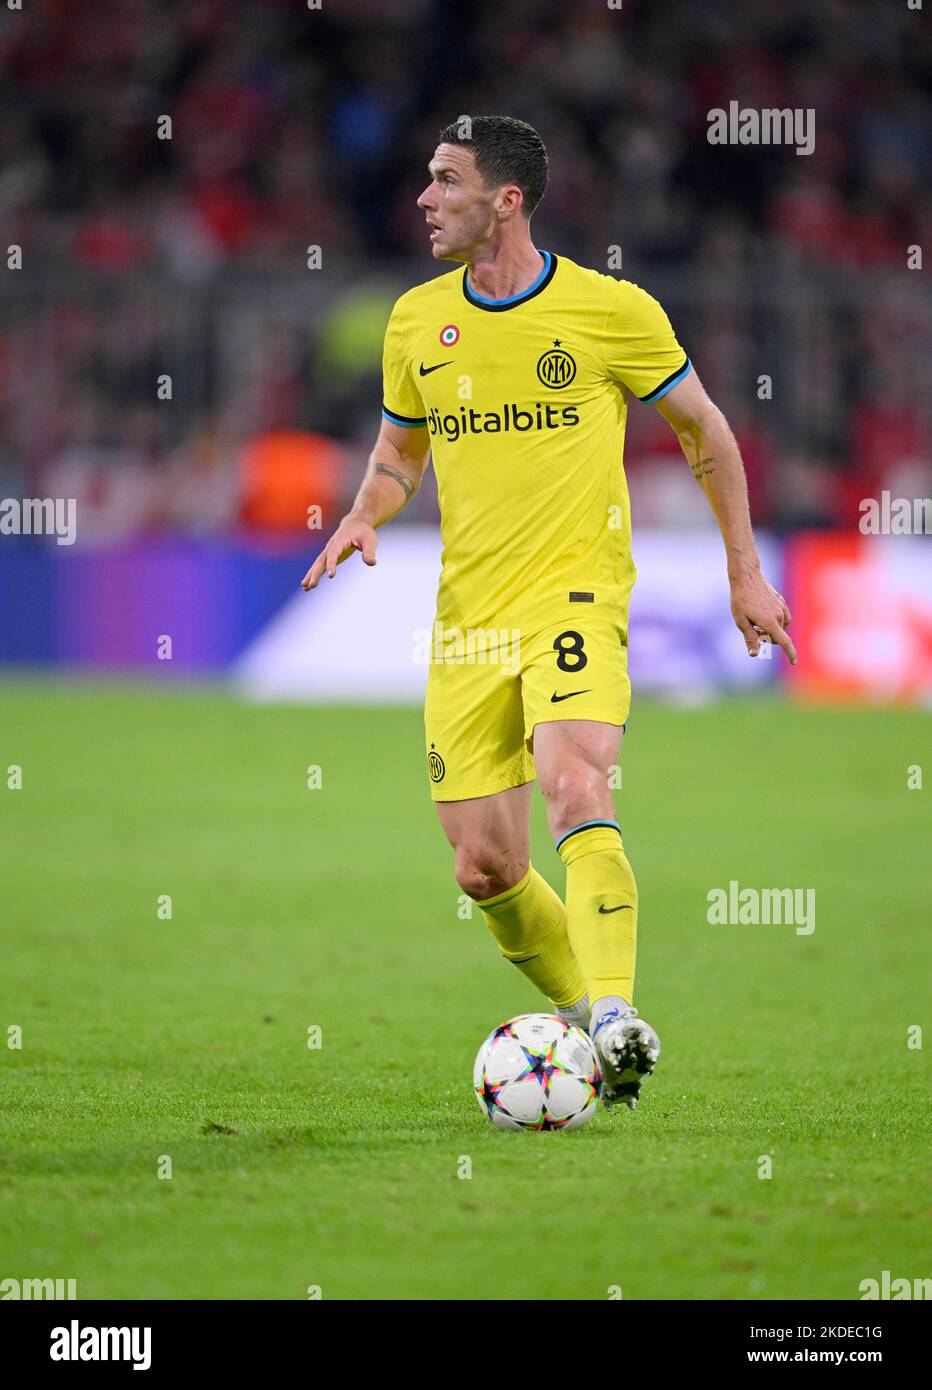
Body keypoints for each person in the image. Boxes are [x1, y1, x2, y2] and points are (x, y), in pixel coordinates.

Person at [302, 116, 795, 1111]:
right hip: (466, 616)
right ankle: (589, 1022)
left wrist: (743, 571)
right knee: (483, 866)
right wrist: (363, 509)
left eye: (444, 181)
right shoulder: (415, 322)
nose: (423, 199)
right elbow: (401, 453)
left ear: (506, 200)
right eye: (426, 179)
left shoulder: (608, 311)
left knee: (575, 778)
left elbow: (703, 431)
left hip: (574, 588)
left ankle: (615, 1009)